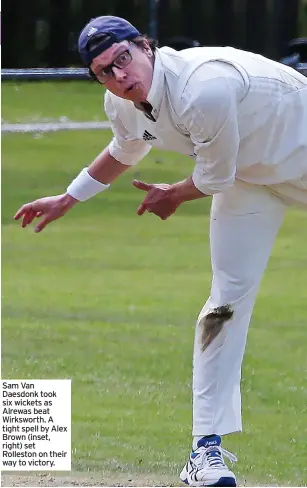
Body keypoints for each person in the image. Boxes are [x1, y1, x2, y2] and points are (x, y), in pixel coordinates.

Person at [14, 15, 307, 488]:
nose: (119, 77)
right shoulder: (121, 102)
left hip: (297, 155)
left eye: (123, 60)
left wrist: (172, 194)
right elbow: (125, 150)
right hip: (251, 183)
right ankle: (205, 452)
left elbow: (213, 177)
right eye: (104, 72)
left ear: (145, 47)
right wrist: (69, 197)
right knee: (225, 305)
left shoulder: (201, 88)